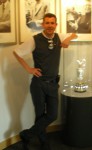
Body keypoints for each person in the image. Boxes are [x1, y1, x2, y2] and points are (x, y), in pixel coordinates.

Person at [13, 13, 77, 150]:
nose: (49, 25)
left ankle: (27, 134)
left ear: (56, 25)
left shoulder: (59, 37)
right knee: (40, 114)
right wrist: (29, 69)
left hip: (53, 83)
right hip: (39, 84)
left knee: (52, 115)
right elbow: (16, 52)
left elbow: (75, 33)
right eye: (47, 23)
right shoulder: (34, 39)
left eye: (52, 23)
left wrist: (69, 39)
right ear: (43, 24)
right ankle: (43, 142)